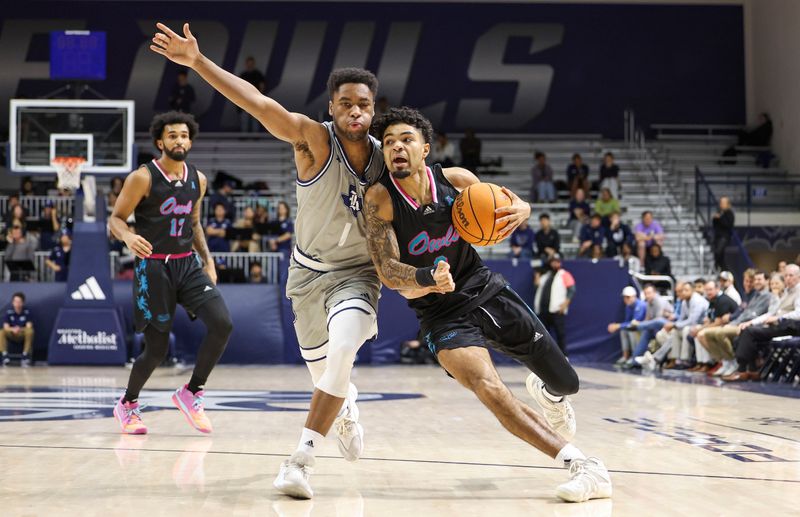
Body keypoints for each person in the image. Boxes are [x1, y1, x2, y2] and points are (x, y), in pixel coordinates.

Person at [151, 23, 383, 498]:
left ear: (373, 109)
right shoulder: (312, 140)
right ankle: (346, 406)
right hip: (307, 275)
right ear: (332, 108)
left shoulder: (388, 157)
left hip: (358, 276)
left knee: (344, 348)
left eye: (363, 103)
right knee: (327, 374)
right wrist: (197, 62)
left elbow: (442, 178)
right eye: (346, 103)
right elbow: (257, 104)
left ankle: (299, 460)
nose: (355, 110)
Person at [364, 107, 611, 503]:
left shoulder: (457, 181)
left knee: (567, 382)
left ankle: (549, 394)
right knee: (488, 385)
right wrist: (429, 279)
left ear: (425, 148)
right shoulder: (379, 199)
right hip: (439, 313)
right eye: (389, 141)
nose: (396, 147)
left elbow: (507, 205)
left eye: (406, 139)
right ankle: (582, 465)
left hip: (486, 289)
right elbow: (389, 271)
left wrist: (525, 208)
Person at [108, 111, 233, 435]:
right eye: (172, 135)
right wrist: (128, 235)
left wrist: (208, 261)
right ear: (160, 142)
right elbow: (116, 218)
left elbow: (193, 223)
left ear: (190, 140)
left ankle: (191, 392)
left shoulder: (198, 180)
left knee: (222, 323)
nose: (179, 140)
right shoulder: (143, 177)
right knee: (157, 349)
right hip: (153, 267)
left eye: (183, 135)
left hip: (186, 263)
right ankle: (128, 404)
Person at [723, 264, 800, 382]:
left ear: (798, 277)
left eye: (791, 275)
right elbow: (771, 313)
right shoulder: (786, 292)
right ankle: (752, 370)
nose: (788, 278)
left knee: (749, 332)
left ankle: (742, 370)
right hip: (779, 325)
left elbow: (798, 314)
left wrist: (779, 318)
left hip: (791, 326)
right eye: (786, 275)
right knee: (747, 330)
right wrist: (751, 322)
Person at [696, 270, 771, 378]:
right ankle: (725, 361)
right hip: (739, 323)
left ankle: (732, 361)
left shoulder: (764, 296)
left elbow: (752, 315)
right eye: (755, 280)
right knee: (708, 334)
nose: (755, 282)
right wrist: (733, 321)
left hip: (749, 325)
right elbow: (743, 312)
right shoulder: (752, 295)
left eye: (759, 280)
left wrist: (732, 321)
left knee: (718, 333)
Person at [639, 282, 707, 370]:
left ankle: (683, 360)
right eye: (682, 290)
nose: (683, 292)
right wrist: (674, 325)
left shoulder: (697, 301)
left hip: (701, 325)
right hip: (688, 325)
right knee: (672, 332)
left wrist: (674, 324)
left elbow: (692, 321)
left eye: (686, 290)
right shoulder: (684, 302)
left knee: (684, 329)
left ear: (693, 291)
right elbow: (681, 319)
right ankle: (672, 360)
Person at [685, 280, 739, 372]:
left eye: (710, 290)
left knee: (701, 334)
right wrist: (701, 327)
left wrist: (701, 328)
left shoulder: (722, 300)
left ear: (717, 289)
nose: (708, 292)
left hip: (731, 326)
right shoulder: (712, 300)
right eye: (706, 290)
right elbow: (710, 320)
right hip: (720, 325)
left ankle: (719, 361)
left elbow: (719, 322)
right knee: (696, 331)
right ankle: (702, 362)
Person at [624, 284, 674, 368]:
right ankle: (634, 361)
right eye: (646, 293)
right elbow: (648, 319)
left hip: (667, 324)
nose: (647, 295)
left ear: (655, 293)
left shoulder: (659, 301)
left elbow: (659, 319)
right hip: (655, 327)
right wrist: (644, 324)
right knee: (646, 332)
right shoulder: (648, 303)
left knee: (656, 322)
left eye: (649, 293)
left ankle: (637, 326)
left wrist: (640, 324)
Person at [534, 254, 575, 355]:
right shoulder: (546, 275)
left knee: (560, 334)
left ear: (560, 263)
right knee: (543, 335)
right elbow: (537, 284)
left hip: (556, 310)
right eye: (553, 261)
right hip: (543, 310)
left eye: (557, 261)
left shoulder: (564, 274)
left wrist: (565, 304)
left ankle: (564, 357)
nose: (555, 264)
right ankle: (544, 357)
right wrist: (537, 274)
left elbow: (572, 289)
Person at [608, 286, 647, 365]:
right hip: (635, 328)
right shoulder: (628, 307)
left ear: (634, 296)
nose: (626, 299)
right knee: (624, 330)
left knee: (631, 330)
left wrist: (617, 326)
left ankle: (634, 356)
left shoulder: (641, 305)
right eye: (625, 297)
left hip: (643, 330)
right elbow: (627, 322)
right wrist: (619, 326)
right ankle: (626, 356)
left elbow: (634, 323)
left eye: (628, 297)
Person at [1, 292, 34, 367]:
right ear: (12, 302)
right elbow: (6, 326)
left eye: (19, 302)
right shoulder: (9, 312)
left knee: (30, 331)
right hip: (12, 333)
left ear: (22, 303)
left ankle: (25, 355)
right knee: (2, 332)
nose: (17, 304)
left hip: (22, 333)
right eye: (15, 301)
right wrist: (13, 329)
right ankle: (4, 356)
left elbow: (29, 326)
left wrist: (19, 329)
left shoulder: (27, 312)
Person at [238, 56, 266, 132]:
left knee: (255, 120)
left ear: (253, 64)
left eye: (251, 63)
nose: (250, 65)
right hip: (245, 101)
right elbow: (238, 88)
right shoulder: (243, 75)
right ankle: (244, 139)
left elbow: (262, 86)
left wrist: (259, 98)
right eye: (248, 63)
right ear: (246, 64)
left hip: (256, 101)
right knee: (244, 121)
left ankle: (255, 139)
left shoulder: (258, 74)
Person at [711, 197, 734, 272]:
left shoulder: (729, 214)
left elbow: (728, 225)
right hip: (717, 236)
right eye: (721, 202)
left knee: (719, 252)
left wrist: (720, 218)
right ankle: (720, 268)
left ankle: (719, 268)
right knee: (718, 255)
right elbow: (715, 225)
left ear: (728, 204)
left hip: (724, 237)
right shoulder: (719, 212)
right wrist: (715, 218)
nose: (721, 204)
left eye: (724, 203)